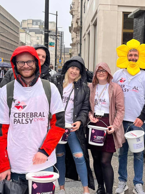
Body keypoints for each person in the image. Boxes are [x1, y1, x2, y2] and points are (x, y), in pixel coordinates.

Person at [0, 46, 65, 185]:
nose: (26, 66)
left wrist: (45, 151)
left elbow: (59, 124)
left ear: (36, 63)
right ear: (15, 65)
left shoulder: (50, 89)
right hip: (15, 166)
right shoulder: (6, 91)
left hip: (43, 164)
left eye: (30, 62)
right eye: (21, 62)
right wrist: (2, 165)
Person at [113, 39, 145, 194]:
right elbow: (111, 96)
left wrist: (142, 116)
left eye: (135, 55)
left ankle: (138, 183)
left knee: (138, 154)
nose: (132, 57)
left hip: (138, 122)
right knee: (122, 153)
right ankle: (122, 182)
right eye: (130, 55)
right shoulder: (118, 74)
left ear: (140, 57)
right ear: (126, 56)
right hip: (120, 122)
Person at [51, 56, 95, 194]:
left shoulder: (83, 87)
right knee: (60, 156)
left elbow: (85, 108)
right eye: (72, 68)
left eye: (77, 69)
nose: (74, 71)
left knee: (79, 156)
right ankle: (62, 188)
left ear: (80, 72)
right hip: (57, 127)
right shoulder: (56, 82)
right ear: (67, 69)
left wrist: (80, 121)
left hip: (72, 128)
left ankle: (86, 190)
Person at [89, 62, 125, 194]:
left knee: (105, 160)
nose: (101, 73)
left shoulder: (115, 88)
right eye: (99, 70)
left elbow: (120, 110)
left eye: (104, 70)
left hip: (108, 124)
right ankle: (100, 187)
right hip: (94, 124)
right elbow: (87, 107)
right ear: (95, 73)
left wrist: (115, 126)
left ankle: (109, 191)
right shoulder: (91, 87)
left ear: (108, 72)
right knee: (96, 159)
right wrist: (90, 116)